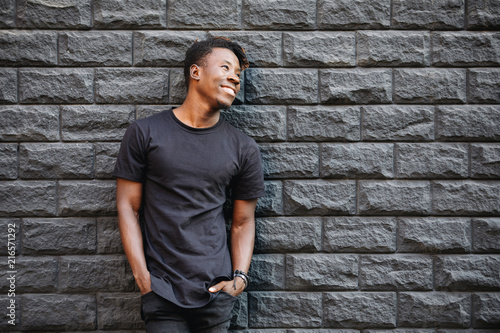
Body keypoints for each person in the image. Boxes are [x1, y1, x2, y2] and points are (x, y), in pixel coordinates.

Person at [113, 37, 265, 332]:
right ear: (196, 72)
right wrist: (143, 278)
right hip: (162, 291)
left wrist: (239, 279)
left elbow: (243, 221)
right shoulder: (145, 133)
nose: (235, 76)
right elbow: (127, 207)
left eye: (238, 73)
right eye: (225, 67)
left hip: (216, 293)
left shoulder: (243, 147)